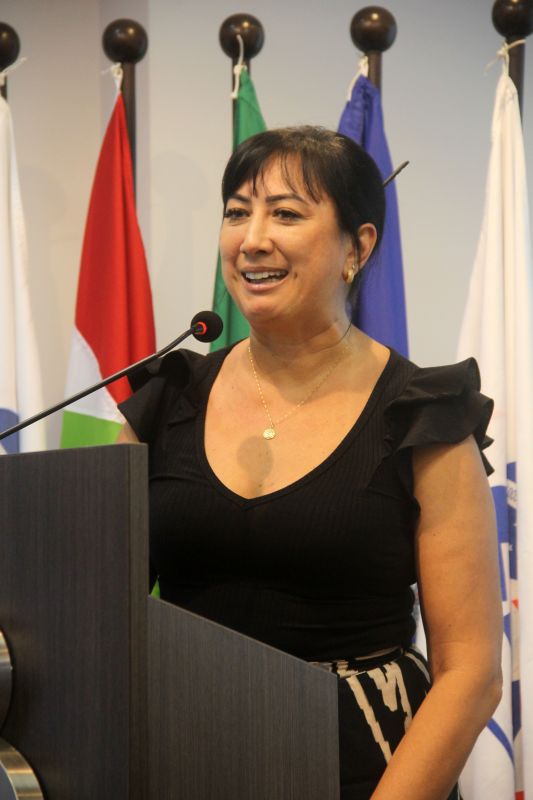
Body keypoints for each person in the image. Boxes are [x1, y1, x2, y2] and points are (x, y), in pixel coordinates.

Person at [117, 126, 502, 800]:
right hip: (179, 748)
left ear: (358, 247)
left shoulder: (423, 415)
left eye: (286, 214)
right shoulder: (166, 399)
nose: (251, 239)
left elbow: (470, 672)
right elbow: (98, 607)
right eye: (237, 212)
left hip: (361, 764)